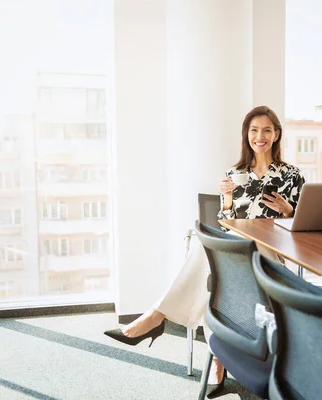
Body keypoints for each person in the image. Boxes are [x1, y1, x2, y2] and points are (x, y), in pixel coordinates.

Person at [104, 105, 305, 396]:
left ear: (276, 135)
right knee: (210, 264)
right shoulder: (236, 173)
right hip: (237, 247)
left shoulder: (291, 175)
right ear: (246, 135)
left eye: (266, 130)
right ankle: (206, 354)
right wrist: (226, 200)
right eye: (253, 130)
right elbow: (226, 221)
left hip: (269, 251)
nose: (259, 136)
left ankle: (159, 320)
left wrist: (287, 210)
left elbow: (301, 225)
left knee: (209, 264)